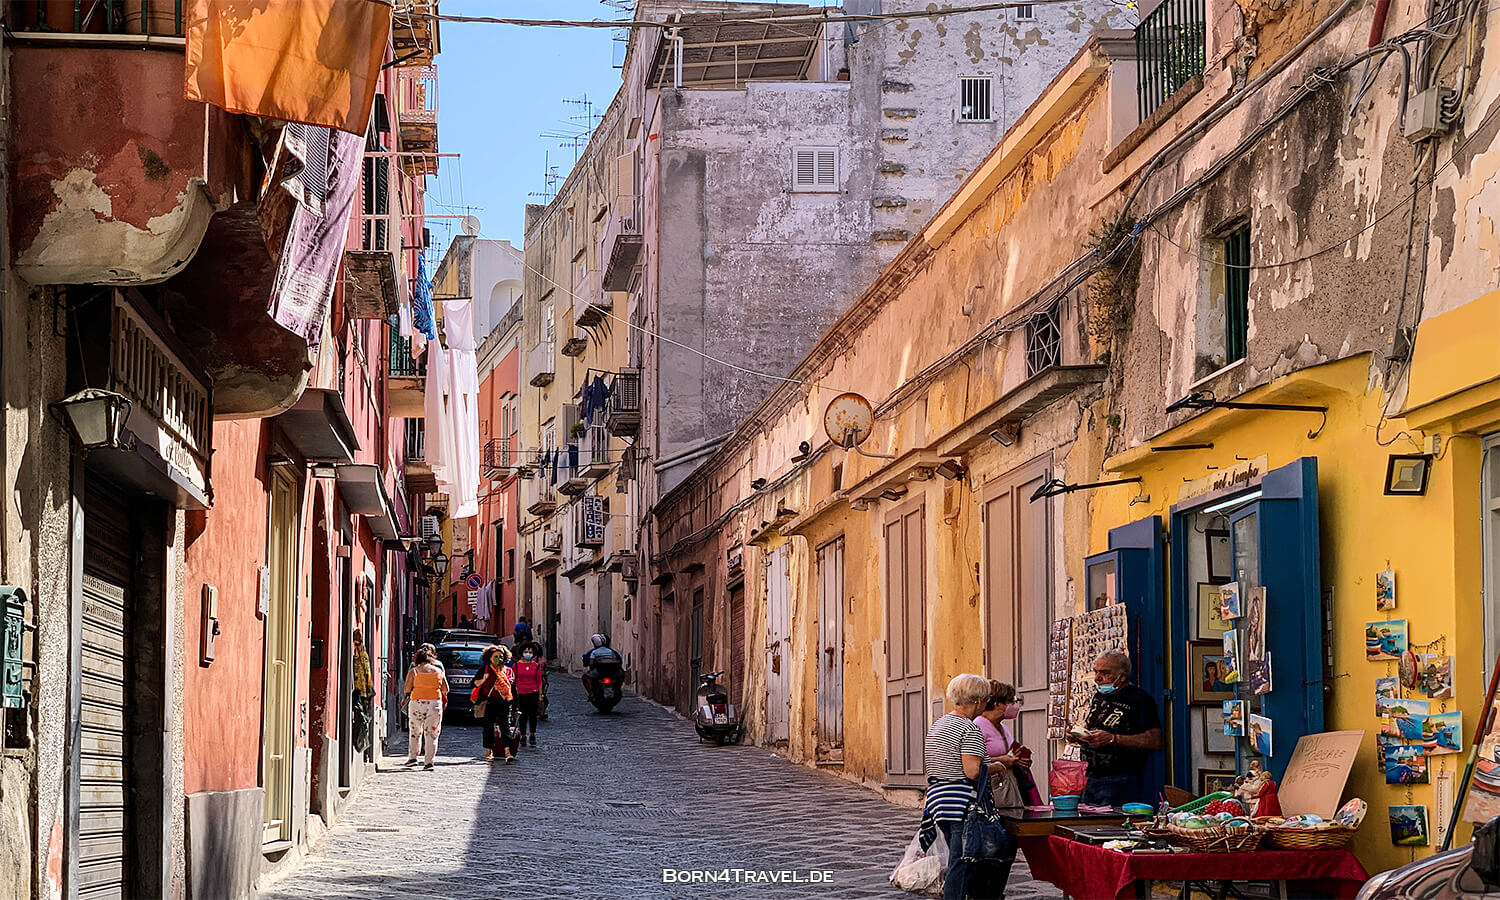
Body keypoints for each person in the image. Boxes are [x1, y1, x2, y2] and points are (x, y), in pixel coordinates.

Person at [918, 673, 1009, 900]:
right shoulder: (969, 729)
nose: (986, 704)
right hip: (961, 805)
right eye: (986, 699)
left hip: (938, 802)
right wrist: (996, 767)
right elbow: (973, 771)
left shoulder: (939, 724)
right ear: (978, 701)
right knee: (962, 863)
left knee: (959, 858)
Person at [1067, 650, 1163, 807]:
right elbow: (1096, 729)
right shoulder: (1099, 696)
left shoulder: (1139, 699)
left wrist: (1114, 739)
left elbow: (1155, 740)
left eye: (1105, 673)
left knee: (1110, 820)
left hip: (1119, 778)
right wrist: (1078, 735)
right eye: (1096, 672)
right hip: (1090, 775)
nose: (1097, 678)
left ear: (1122, 677)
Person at [976, 681, 1028, 810]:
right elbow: (971, 762)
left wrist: (1019, 760)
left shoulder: (1002, 727)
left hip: (1009, 786)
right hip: (991, 789)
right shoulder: (978, 726)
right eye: (1010, 701)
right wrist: (1001, 760)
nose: (1014, 705)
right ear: (997, 704)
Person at [401, 648, 449, 770]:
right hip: (434, 704)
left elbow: (407, 688)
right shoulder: (439, 671)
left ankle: (413, 758)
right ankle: (429, 763)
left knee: (415, 731)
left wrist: (406, 696)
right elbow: (446, 689)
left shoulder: (414, 671)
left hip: (417, 703)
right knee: (432, 733)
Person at [473, 645, 517, 763]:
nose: (499, 659)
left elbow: (513, 689)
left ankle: (507, 752)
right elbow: (474, 683)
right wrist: (484, 679)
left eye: (501, 656)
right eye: (496, 656)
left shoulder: (508, 671)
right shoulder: (485, 670)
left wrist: (515, 706)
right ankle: (489, 751)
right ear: (490, 658)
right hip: (489, 702)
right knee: (488, 727)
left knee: (505, 727)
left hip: (505, 702)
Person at [513, 641, 545, 747]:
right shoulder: (516, 666)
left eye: (530, 652)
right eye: (526, 651)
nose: (528, 654)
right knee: (522, 715)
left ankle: (532, 734)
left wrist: (540, 695)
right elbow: (513, 680)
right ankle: (523, 735)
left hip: (533, 692)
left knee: (532, 715)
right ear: (522, 652)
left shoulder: (536, 666)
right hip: (520, 693)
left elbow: (539, 681)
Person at [581, 633, 622, 701]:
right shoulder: (611, 651)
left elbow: (590, 663)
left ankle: (591, 694)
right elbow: (618, 660)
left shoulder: (594, 652)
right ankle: (617, 689)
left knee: (586, 677)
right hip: (612, 672)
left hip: (599, 672)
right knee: (621, 674)